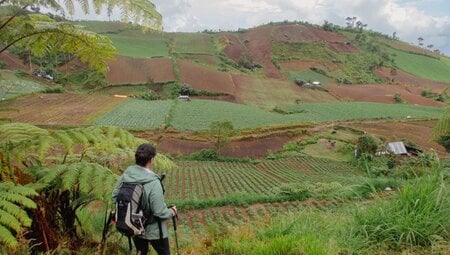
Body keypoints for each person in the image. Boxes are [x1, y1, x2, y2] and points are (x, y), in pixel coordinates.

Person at [112, 144, 177, 255]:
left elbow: (114, 197)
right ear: (151, 159)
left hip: (133, 226)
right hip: (155, 230)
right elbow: (159, 211)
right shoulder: (154, 182)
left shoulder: (126, 175)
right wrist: (172, 211)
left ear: (136, 158)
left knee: (141, 252)